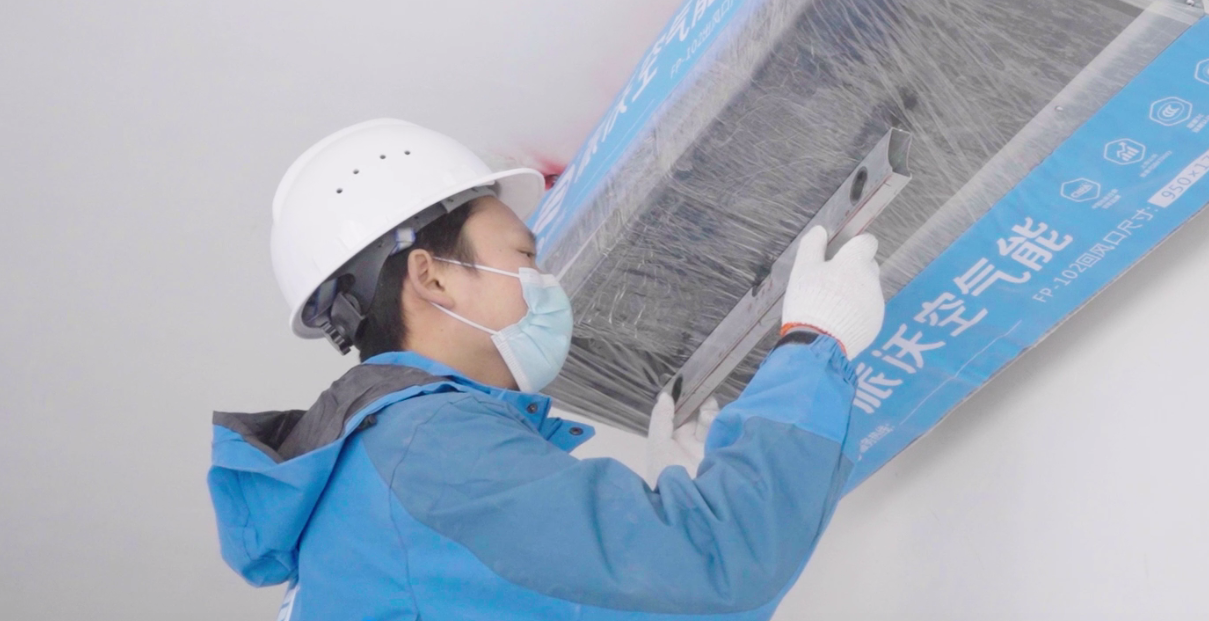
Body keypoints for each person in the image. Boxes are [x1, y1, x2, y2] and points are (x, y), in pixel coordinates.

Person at [209, 118, 886, 621]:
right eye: (524, 256)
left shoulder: (376, 483)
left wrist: (673, 502)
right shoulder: (429, 450)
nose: (545, 281)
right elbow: (718, 570)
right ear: (433, 276)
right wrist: (813, 344)